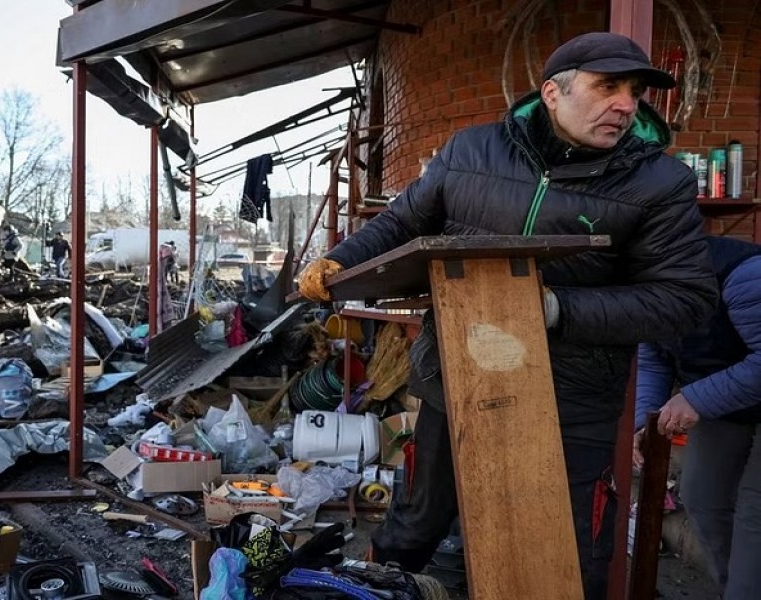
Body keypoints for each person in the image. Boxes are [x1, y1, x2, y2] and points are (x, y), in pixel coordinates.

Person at [297, 31, 718, 599]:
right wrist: (338, 260)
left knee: (558, 548)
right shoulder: (470, 151)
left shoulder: (660, 182)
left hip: (570, 397)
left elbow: (684, 297)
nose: (626, 103)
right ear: (552, 91)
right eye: (608, 86)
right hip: (458, 376)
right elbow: (403, 222)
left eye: (635, 91)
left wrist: (554, 309)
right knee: (416, 524)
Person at [634, 235, 761, 600]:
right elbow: (653, 355)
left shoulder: (743, 275)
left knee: (755, 513)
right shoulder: (646, 285)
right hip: (728, 402)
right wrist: (646, 420)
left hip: (723, 394)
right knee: (702, 496)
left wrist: (693, 398)